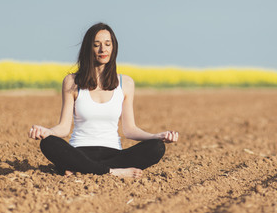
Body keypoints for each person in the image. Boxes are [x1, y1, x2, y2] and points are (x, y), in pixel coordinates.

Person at [28, 23, 178, 178]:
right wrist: (48, 132)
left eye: (107, 44)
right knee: (48, 143)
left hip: (113, 155)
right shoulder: (72, 81)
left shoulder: (125, 83)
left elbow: (130, 129)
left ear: (114, 48)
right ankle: (111, 172)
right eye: (96, 45)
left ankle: (82, 169)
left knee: (156, 148)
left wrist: (157, 136)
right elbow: (64, 128)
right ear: (88, 48)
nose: (103, 50)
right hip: (79, 152)